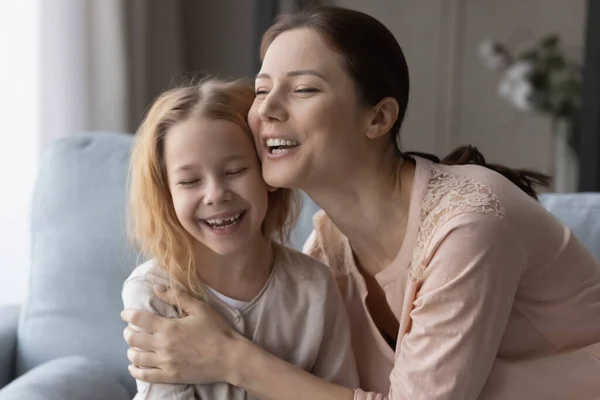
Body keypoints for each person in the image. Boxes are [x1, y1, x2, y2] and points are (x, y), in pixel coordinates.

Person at [121, 6, 600, 400]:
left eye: (303, 89)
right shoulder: (327, 252)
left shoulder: (468, 224)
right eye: (263, 89)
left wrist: (231, 357)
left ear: (379, 118)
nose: (264, 109)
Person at [122, 77, 358, 399]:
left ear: (268, 172)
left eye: (234, 171)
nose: (216, 195)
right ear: (166, 196)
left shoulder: (315, 287)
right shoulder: (153, 294)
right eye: (190, 181)